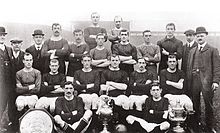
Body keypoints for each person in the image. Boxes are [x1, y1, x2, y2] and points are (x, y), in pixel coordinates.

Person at [187, 27, 220, 133]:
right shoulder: (192, 51)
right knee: (195, 104)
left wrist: (215, 81)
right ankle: (196, 125)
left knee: (208, 104)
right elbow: (189, 66)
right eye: (198, 36)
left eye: (201, 36)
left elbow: (216, 67)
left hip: (207, 82)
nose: (199, 38)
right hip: (194, 81)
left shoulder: (212, 50)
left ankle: (210, 126)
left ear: (205, 36)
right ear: (195, 37)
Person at [100, 54, 129, 126]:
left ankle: (123, 126)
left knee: (125, 101)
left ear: (119, 62)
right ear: (110, 62)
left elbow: (125, 87)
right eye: (113, 60)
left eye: (116, 60)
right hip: (107, 96)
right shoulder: (105, 72)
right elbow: (103, 87)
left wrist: (110, 83)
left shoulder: (123, 73)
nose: (115, 62)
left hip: (120, 96)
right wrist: (119, 85)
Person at [15, 53, 41, 121]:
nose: (29, 62)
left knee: (31, 104)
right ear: (23, 61)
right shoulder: (19, 73)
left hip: (33, 95)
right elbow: (18, 90)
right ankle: (20, 124)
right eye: (27, 60)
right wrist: (29, 87)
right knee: (20, 105)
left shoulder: (37, 72)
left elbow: (37, 89)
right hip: (22, 96)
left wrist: (23, 89)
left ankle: (31, 123)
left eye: (30, 60)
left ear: (32, 61)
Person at [7, 37, 25, 131]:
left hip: (21, 85)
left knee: (20, 103)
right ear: (11, 45)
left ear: (21, 45)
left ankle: (21, 121)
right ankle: (12, 122)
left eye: (18, 43)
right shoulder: (8, 55)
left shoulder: (24, 55)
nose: (16, 45)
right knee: (11, 103)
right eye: (14, 43)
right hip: (10, 84)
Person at [0, 27, 13, 131]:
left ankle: (8, 124)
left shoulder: (9, 49)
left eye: (3, 35)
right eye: (0, 35)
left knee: (8, 104)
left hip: (8, 82)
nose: (2, 37)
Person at [182, 29, 198, 97]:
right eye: (187, 35)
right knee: (186, 91)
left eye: (190, 35)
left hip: (194, 74)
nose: (188, 37)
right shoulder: (184, 47)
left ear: (194, 36)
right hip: (185, 72)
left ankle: (195, 107)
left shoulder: (197, 46)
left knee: (195, 93)